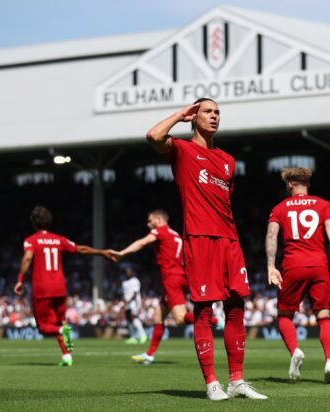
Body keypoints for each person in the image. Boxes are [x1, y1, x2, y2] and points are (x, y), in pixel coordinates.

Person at [146, 98, 267, 400]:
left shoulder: (228, 161)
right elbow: (153, 136)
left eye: (217, 113)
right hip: (200, 239)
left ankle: (236, 381)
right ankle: (212, 382)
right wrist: (179, 115)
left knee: (237, 306)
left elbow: (224, 203)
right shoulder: (183, 150)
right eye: (208, 112)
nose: (214, 117)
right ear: (194, 117)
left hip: (229, 239)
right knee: (204, 310)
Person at [266, 167, 330, 383]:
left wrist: (270, 266)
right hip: (319, 264)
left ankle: (295, 351)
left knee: (284, 315)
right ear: (307, 184)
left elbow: (272, 236)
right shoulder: (323, 204)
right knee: (323, 316)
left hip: (293, 265)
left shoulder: (279, 208)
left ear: (289, 185)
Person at [111, 209, 216, 364]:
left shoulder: (160, 232)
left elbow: (142, 242)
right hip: (179, 275)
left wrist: (122, 253)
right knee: (158, 316)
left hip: (171, 279)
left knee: (180, 319)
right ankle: (150, 354)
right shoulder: (176, 235)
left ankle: (216, 320)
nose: (148, 224)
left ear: (159, 219)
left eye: (150, 220)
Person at [13, 206, 114, 366]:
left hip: (42, 289)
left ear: (34, 223)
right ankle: (67, 356)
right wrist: (101, 252)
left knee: (43, 327)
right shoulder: (59, 239)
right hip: (60, 288)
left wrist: (19, 279)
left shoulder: (31, 240)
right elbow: (80, 248)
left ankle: (61, 333)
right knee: (60, 322)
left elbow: (27, 258)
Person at [121, 267, 147, 344]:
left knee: (134, 318)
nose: (127, 273)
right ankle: (133, 337)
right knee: (129, 319)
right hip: (127, 303)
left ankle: (143, 335)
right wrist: (124, 302)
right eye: (126, 272)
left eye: (129, 271)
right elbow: (124, 293)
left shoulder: (135, 281)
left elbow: (135, 293)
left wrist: (128, 302)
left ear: (132, 272)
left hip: (134, 303)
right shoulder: (124, 282)